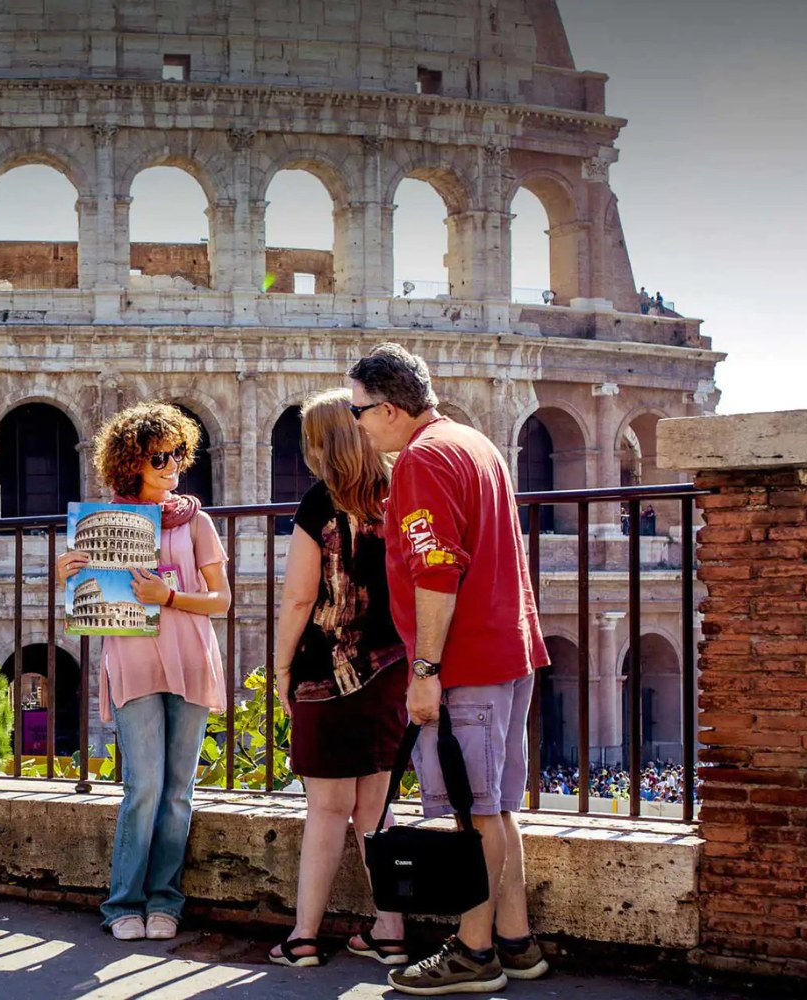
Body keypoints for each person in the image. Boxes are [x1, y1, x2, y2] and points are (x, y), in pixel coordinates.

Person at [348, 343, 553, 995]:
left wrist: (426, 669)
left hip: (466, 660)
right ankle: (516, 942)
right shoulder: (474, 442)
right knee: (495, 808)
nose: (356, 424)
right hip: (509, 651)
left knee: (475, 813)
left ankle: (473, 953)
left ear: (387, 408)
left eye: (358, 412)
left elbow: (436, 568)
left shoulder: (421, 459)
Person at [54, 402, 231, 943]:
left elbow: (221, 601)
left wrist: (169, 595)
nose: (173, 464)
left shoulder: (196, 520)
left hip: (190, 662)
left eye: (179, 453)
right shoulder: (103, 525)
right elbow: (85, 607)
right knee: (143, 787)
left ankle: (165, 900)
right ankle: (122, 902)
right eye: (160, 456)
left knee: (179, 791)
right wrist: (66, 576)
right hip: (132, 662)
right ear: (133, 463)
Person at [266, 388, 410, 969]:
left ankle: (303, 937)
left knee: (326, 809)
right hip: (389, 670)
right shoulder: (397, 496)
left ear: (322, 444)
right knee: (376, 808)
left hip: (324, 675)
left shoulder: (319, 504)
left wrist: (279, 666)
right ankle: (392, 930)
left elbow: (300, 597)